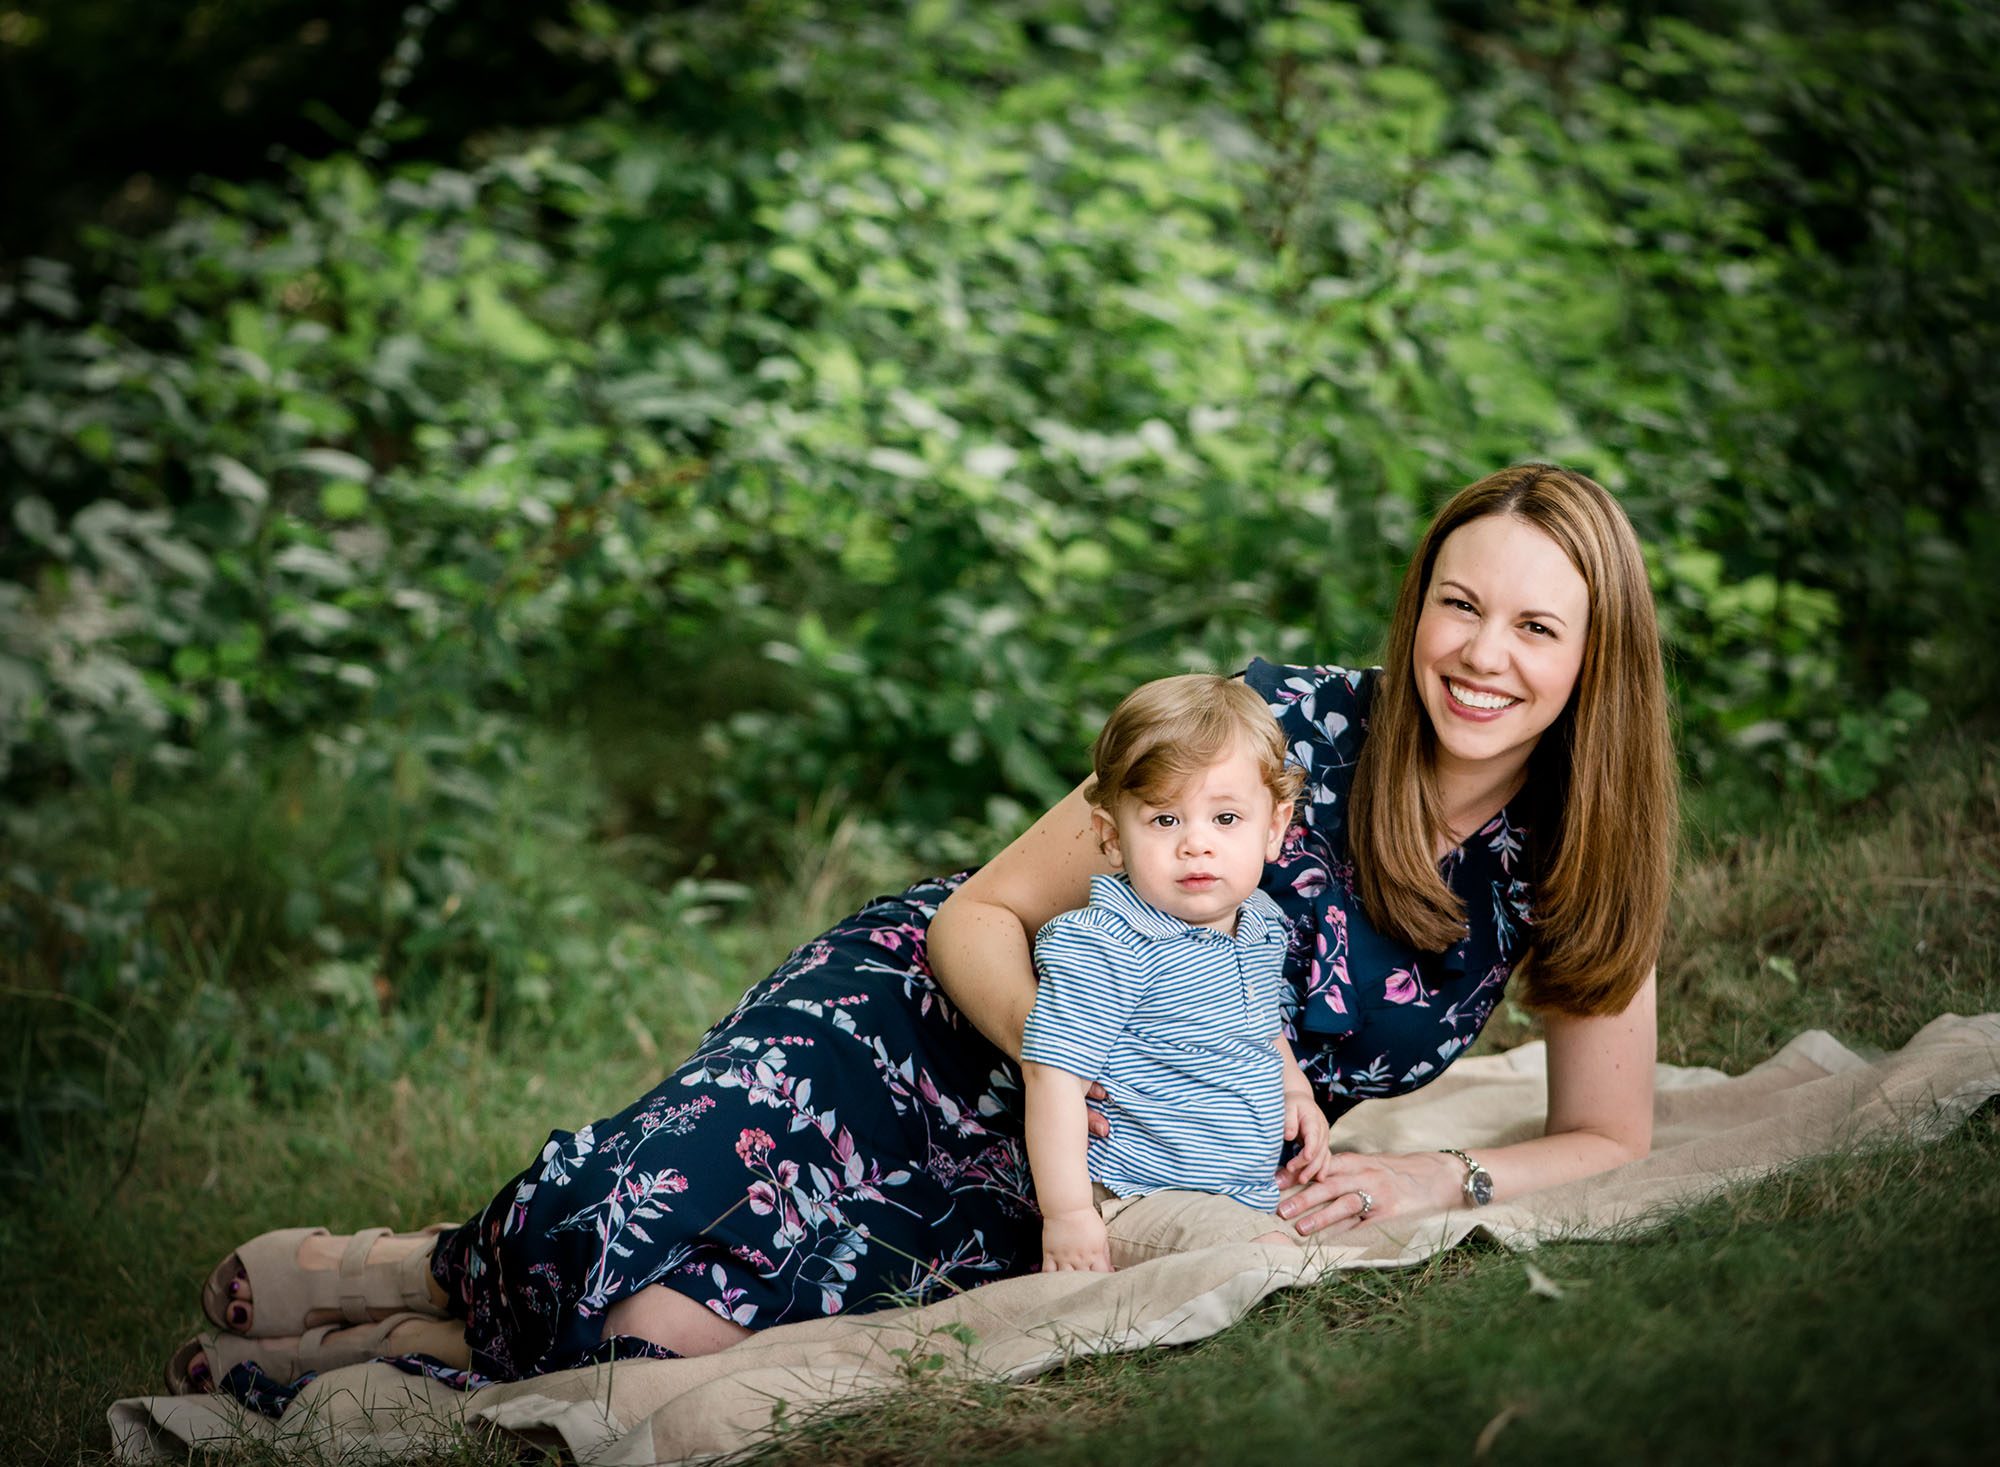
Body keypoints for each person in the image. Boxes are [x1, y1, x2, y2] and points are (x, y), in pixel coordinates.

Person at [170, 463, 1676, 1399]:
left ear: (1595, 657)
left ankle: (409, 1349)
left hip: (1085, 1175)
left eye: (1536, 626)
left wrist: (1434, 1167)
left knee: (666, 1338)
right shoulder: (1276, 730)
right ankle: (408, 1261)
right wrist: (1077, 1062)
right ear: (1418, 601)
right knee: (648, 1202)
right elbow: (981, 914)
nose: (1480, 653)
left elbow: (1609, 1133)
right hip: (935, 1026)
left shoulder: (1573, 858)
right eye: (1458, 604)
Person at [1020, 673, 1329, 1274]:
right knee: (1271, 1261)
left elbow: (1262, 1029)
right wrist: (1069, 1215)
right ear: (1112, 837)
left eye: (1226, 819)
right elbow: (1050, 1077)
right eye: (1165, 820)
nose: (1196, 844)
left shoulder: (1260, 923)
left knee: (1319, 1223)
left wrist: (1297, 1091)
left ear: (1274, 828)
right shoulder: (1106, 943)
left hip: (1241, 1191)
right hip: (1142, 1198)